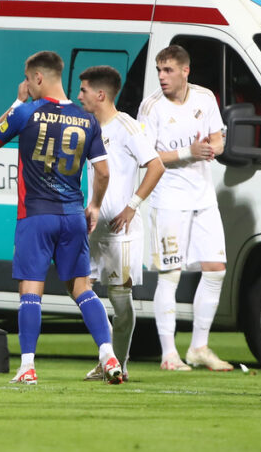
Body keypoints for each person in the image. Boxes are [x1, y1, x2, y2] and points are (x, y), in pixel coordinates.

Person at [0, 50, 121, 385]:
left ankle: (28, 366)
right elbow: (103, 172)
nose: (26, 86)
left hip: (36, 215)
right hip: (74, 216)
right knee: (83, 289)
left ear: (38, 78)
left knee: (31, 292)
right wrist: (94, 206)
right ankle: (108, 354)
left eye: (28, 80)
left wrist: (17, 102)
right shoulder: (87, 118)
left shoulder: (28, 111)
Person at [136, 44, 233, 371]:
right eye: (159, 70)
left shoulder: (204, 98)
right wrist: (187, 153)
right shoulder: (151, 107)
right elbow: (145, 156)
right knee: (171, 274)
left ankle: (199, 348)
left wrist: (212, 148)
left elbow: (219, 138)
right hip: (169, 201)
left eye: (168, 70)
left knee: (216, 270)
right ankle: (168, 354)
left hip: (203, 198)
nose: (162, 77)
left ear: (185, 71)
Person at [77, 65, 165, 380]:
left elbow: (155, 166)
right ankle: (107, 356)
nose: (79, 95)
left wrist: (131, 206)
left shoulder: (126, 127)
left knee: (120, 300)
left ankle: (119, 364)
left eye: (84, 90)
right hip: (91, 229)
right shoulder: (87, 127)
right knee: (80, 289)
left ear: (100, 94)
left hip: (120, 234)